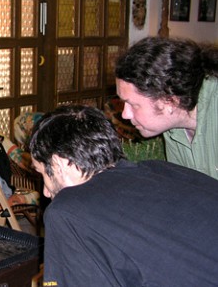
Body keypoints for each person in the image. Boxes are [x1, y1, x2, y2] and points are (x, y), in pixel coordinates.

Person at [29, 104, 218, 287]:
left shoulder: (67, 210)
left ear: (59, 164)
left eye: (43, 174)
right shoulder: (162, 170)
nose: (45, 192)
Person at [115, 36, 218, 179]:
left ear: (170, 101)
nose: (125, 115)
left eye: (133, 104)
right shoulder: (173, 127)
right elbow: (188, 187)